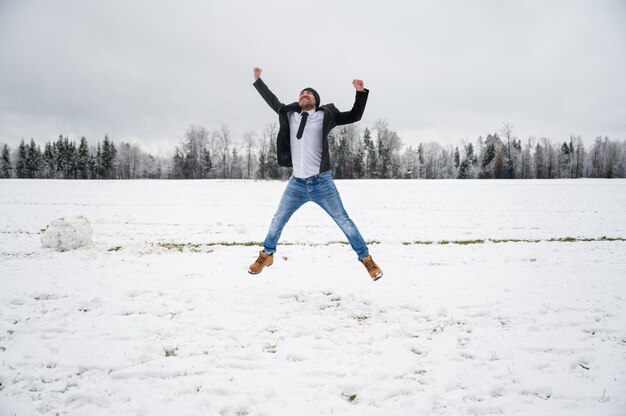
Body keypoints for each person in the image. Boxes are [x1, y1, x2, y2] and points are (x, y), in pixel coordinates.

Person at [248, 67, 383, 281]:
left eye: (308, 93)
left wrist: (360, 92)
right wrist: (258, 80)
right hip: (297, 184)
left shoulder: (325, 116)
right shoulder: (289, 114)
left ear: (316, 100)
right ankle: (267, 254)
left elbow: (355, 115)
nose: (304, 94)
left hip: (322, 183)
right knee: (277, 220)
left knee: (344, 221)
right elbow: (271, 100)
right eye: (301, 93)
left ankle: (366, 259)